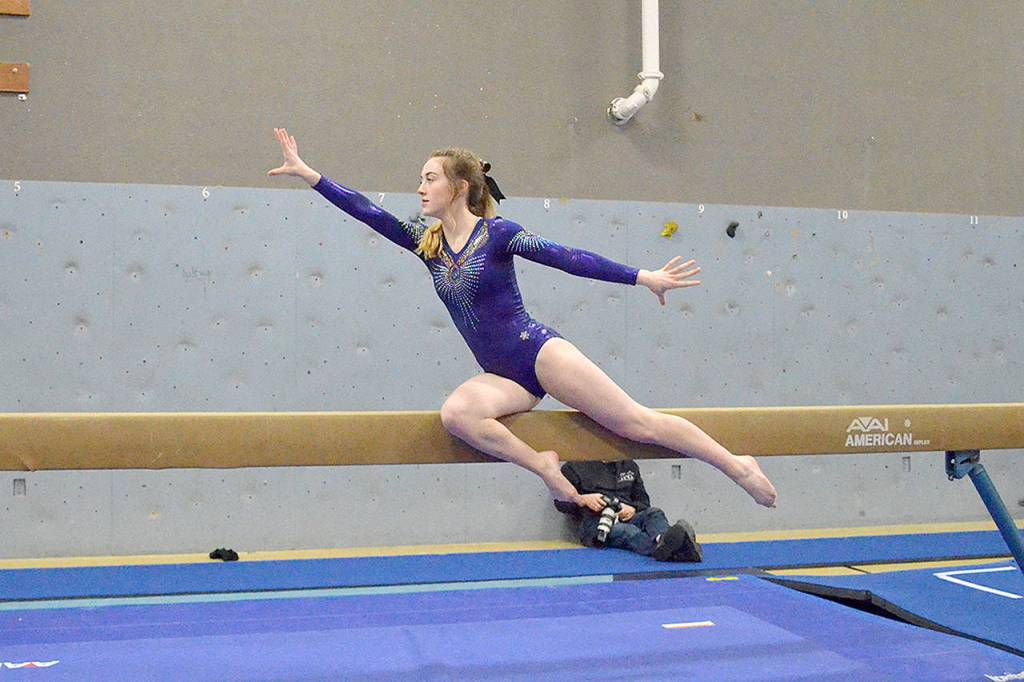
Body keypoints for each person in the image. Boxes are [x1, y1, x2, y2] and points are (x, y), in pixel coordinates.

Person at [267, 127, 777, 509]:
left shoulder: (498, 235)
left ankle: (736, 465)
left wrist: (642, 276)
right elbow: (368, 212)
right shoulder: (427, 244)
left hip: (538, 353)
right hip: (502, 376)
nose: (419, 188)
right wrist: (310, 175)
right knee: (457, 415)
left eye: (429, 179)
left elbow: (567, 257)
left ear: (459, 186)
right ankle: (546, 469)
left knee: (636, 423)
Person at [553, 459, 703, 562]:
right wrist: (582, 499)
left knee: (654, 513)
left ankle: (663, 540)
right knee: (627, 531)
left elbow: (643, 502)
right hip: (595, 524)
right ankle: (675, 549)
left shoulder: (629, 465)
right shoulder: (574, 466)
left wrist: (632, 508)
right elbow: (561, 504)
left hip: (628, 516)